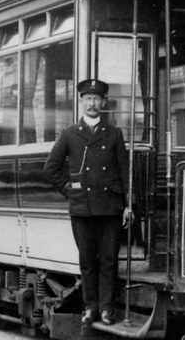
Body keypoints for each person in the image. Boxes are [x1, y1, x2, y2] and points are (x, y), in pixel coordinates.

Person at [43, 78, 132, 326]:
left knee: (109, 261)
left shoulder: (114, 134)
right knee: (87, 261)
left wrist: (128, 205)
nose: (92, 103)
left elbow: (125, 172)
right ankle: (90, 307)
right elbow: (50, 169)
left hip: (110, 208)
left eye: (96, 99)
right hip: (82, 208)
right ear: (81, 102)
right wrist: (69, 190)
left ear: (103, 102)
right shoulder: (70, 134)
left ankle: (107, 309)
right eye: (88, 99)